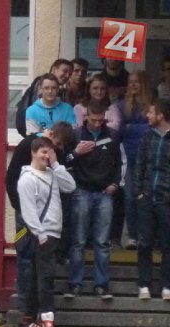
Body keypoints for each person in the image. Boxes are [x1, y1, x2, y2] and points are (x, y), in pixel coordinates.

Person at [6, 121, 75, 307]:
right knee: (24, 254)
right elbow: (11, 177)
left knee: (42, 264)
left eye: (61, 146)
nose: (58, 149)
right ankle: (23, 302)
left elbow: (68, 185)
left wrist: (56, 163)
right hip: (24, 213)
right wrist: (20, 206)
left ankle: (36, 304)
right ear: (51, 134)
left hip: (46, 218)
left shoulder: (55, 156)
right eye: (57, 143)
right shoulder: (26, 145)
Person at [64, 101, 122, 300]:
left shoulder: (113, 135)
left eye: (101, 120)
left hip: (105, 192)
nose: (97, 124)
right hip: (81, 191)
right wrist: (76, 153)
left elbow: (120, 163)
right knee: (78, 241)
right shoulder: (76, 135)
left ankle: (102, 285)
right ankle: (75, 284)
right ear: (86, 117)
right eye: (93, 120)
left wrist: (116, 184)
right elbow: (64, 162)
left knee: (102, 242)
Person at [18, 135, 76, 327]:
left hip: (54, 232)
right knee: (46, 277)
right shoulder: (27, 179)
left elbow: (70, 186)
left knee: (37, 276)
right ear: (33, 153)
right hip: (41, 235)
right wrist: (40, 233)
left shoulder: (52, 173)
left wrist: (57, 165)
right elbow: (28, 210)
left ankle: (28, 316)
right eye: (43, 152)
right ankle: (46, 317)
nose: (46, 156)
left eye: (49, 152)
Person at [131, 98, 170, 300]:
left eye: (151, 112)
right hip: (147, 197)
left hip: (166, 199)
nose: (147, 115)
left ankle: (166, 285)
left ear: (161, 115)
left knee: (167, 245)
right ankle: (144, 284)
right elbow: (139, 164)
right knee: (144, 242)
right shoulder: (147, 136)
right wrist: (139, 192)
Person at [118, 71, 153, 247]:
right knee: (130, 196)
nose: (133, 85)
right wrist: (141, 128)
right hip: (128, 157)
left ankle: (147, 236)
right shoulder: (121, 106)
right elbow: (119, 129)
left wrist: (132, 128)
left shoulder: (152, 106)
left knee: (147, 197)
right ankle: (132, 236)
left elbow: (153, 129)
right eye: (130, 82)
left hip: (148, 157)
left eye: (137, 82)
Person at [14, 58, 72, 138]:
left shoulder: (62, 92)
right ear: (54, 69)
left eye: (70, 74)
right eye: (65, 71)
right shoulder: (41, 84)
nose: (67, 76)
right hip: (36, 132)